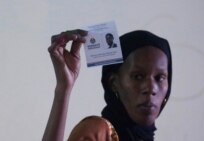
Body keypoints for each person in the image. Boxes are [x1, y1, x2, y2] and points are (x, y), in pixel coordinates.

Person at [42, 29, 172, 141]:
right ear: (114, 83)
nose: (151, 88)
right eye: (138, 76)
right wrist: (63, 88)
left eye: (160, 78)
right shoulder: (97, 133)